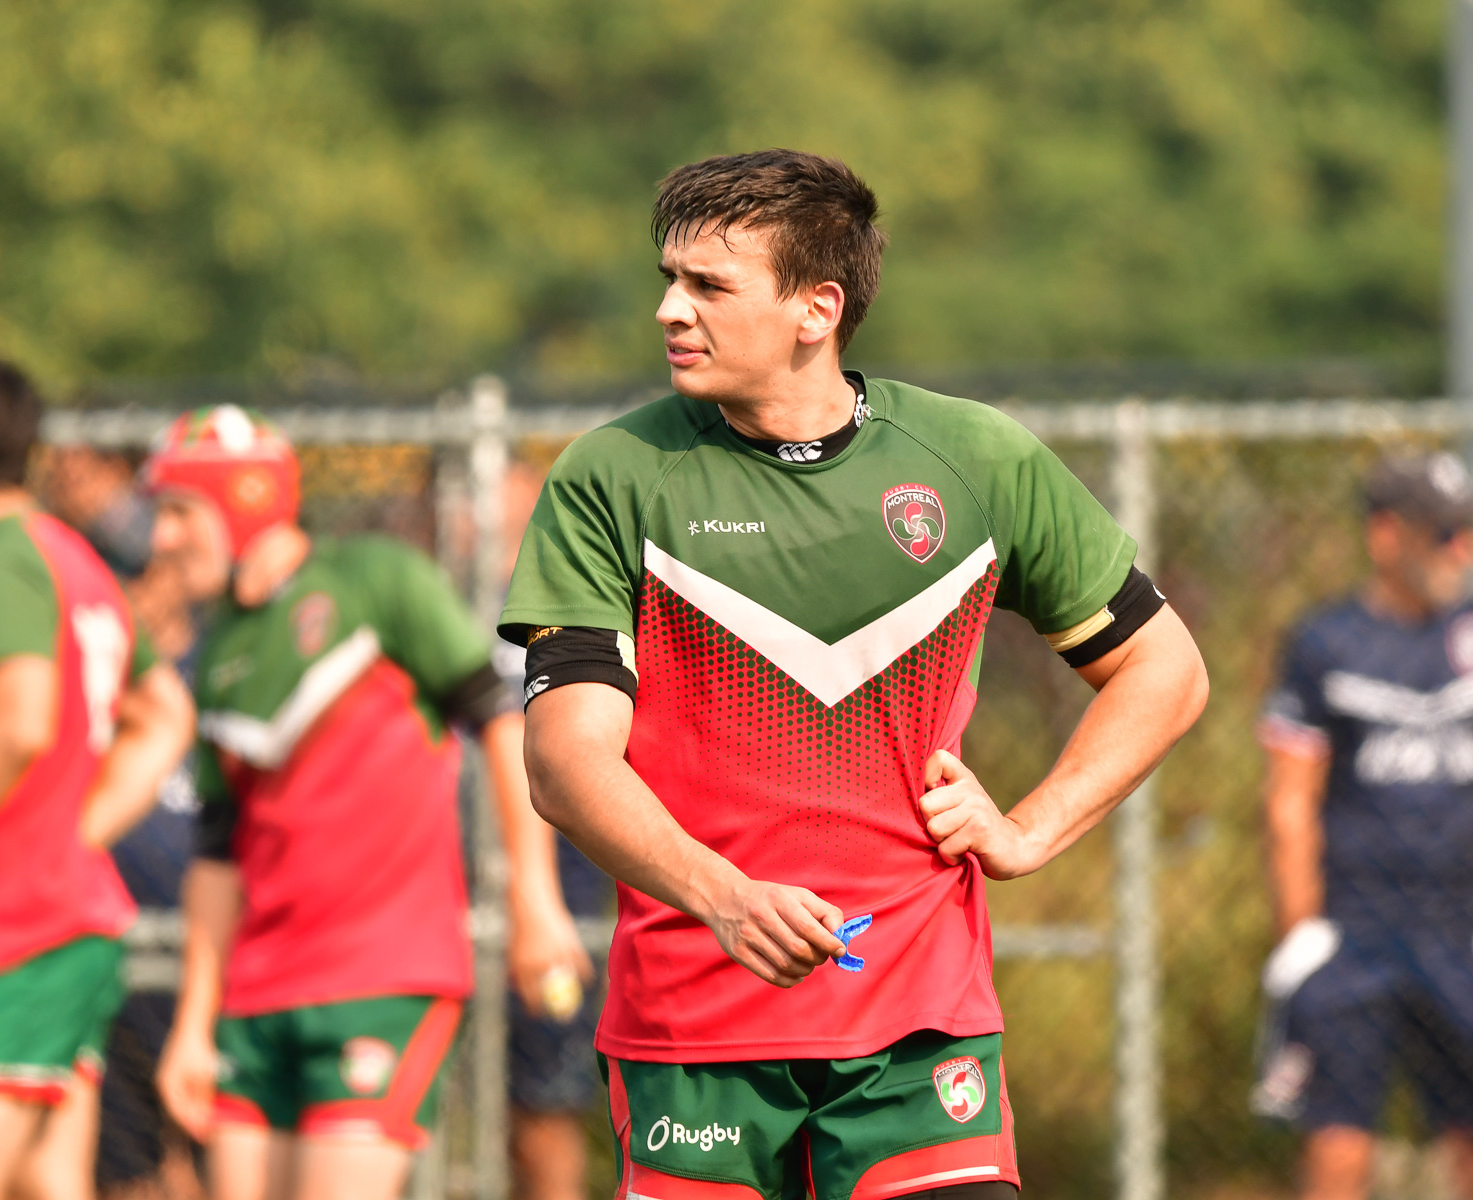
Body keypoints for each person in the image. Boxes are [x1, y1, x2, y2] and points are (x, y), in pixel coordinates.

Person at [502, 148, 1209, 1200]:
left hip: (920, 1031)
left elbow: (1166, 668)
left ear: (815, 309)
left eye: (707, 285)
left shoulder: (976, 462)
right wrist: (724, 898)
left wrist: (1030, 830)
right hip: (692, 1035)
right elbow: (563, 762)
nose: (668, 310)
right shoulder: (613, 477)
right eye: (668, 279)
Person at [143, 406, 592, 1200]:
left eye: (180, 513)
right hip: (256, 991)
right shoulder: (216, 653)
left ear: (243, 501)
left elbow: (498, 720)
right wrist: (190, 1026)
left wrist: (534, 898)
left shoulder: (375, 580)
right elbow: (217, 857)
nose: (162, 540)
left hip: (382, 976)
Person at [1252, 452, 1473, 1200]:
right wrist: (1300, 930)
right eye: (1444, 533)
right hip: (1354, 929)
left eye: (1470, 533)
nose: (1465, 551)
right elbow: (1289, 799)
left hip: (1464, 926)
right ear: (1385, 536)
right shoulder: (1326, 644)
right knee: (1339, 1143)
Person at [0, 353, 195, 1200]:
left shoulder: (0, 562)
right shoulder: (74, 557)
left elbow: (17, 722)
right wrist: (75, 831)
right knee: (48, 1182)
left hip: (4, 931)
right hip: (66, 920)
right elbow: (164, 711)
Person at [43, 443, 208, 1200]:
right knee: (128, 1175)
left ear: (175, 572)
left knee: (214, 1168)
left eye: (140, 569)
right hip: (120, 965)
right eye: (113, 571)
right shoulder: (80, 681)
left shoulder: (224, 669)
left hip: (212, 962)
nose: (129, 589)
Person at [493, 453, 604, 1200]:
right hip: (442, 881)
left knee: (544, 1107)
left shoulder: (577, 599)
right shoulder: (435, 604)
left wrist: (540, 901)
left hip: (557, 888)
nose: (480, 512)